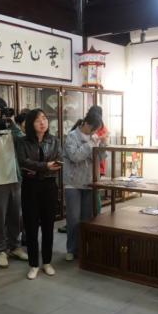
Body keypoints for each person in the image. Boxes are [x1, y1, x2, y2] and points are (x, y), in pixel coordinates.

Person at [0, 97, 28, 268]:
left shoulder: (10, 127)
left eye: (1, 109)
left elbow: (23, 140)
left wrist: (12, 123)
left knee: (16, 215)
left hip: (14, 177)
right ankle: (0, 249)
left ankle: (14, 246)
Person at [17, 109, 61, 280]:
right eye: (37, 120)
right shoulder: (23, 142)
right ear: (30, 124)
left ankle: (47, 262)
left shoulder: (54, 140)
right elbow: (23, 162)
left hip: (49, 186)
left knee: (49, 225)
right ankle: (34, 264)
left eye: (44, 118)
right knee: (31, 226)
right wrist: (45, 166)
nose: (42, 122)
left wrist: (38, 167)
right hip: (30, 187)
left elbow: (58, 160)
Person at [63, 111, 104, 261]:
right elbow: (75, 156)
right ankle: (72, 249)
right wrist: (90, 144)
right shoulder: (72, 136)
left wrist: (102, 145)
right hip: (73, 183)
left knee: (88, 218)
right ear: (85, 123)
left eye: (95, 130)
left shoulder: (94, 137)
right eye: (92, 129)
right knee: (73, 219)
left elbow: (101, 158)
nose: (93, 133)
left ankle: (85, 249)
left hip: (90, 181)